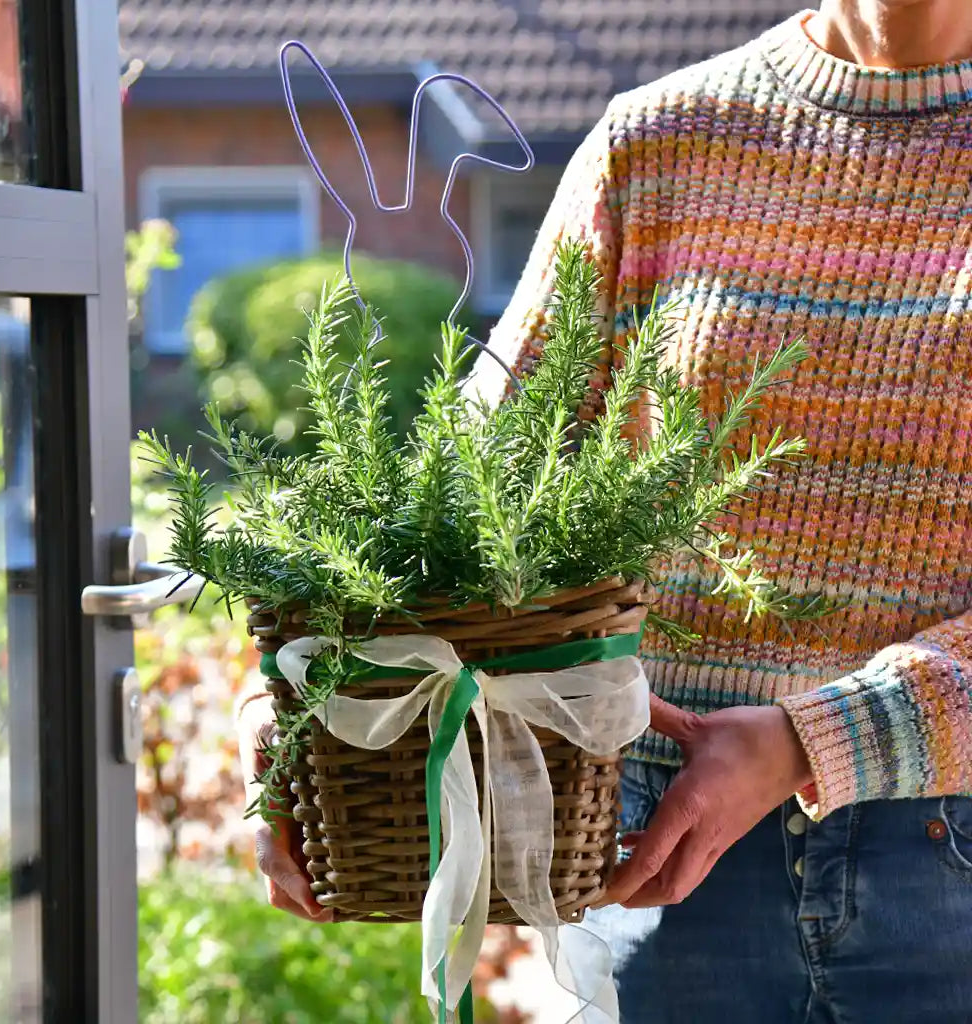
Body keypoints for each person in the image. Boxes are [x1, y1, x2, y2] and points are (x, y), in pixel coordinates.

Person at [239, 2, 972, 1020]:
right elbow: (460, 494)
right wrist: (293, 707)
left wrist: (805, 740)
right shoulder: (658, 145)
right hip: (664, 875)